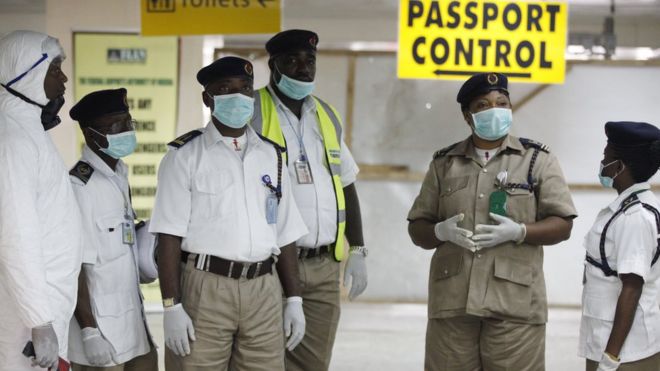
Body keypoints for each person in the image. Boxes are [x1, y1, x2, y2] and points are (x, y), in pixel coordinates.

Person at [407, 72, 577, 370]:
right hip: (453, 304)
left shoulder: (537, 160)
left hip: (515, 305)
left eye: (502, 102)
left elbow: (563, 223)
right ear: (467, 115)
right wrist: (439, 231)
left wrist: (520, 231)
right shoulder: (444, 164)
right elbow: (417, 228)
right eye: (483, 105)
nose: (495, 109)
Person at [149, 56, 308, 370]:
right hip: (206, 288)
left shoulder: (271, 155)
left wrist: (294, 299)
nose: (238, 96)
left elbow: (286, 232)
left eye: (245, 88)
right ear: (208, 98)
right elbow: (168, 236)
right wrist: (171, 306)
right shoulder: (185, 156)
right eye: (226, 88)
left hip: (264, 287)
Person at [251, 29, 367, 371]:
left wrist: (357, 248)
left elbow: (346, 183)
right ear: (273, 66)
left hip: (323, 266)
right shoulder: (253, 109)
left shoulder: (326, 115)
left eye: (310, 61)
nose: (304, 69)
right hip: (269, 264)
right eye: (293, 61)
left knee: (313, 362)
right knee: (265, 360)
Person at [0, 30, 83, 370]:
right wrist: (38, 319)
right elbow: (16, 235)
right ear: (26, 72)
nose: (63, 77)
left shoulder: (29, 130)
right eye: (54, 68)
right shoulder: (13, 140)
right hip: (28, 320)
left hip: (45, 308)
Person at [66, 88, 158, 371]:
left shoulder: (118, 173)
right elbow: (76, 265)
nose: (125, 131)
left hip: (133, 319)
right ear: (91, 134)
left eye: (127, 122)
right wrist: (89, 332)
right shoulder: (80, 186)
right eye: (115, 126)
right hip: (100, 330)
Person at [579, 121, 660, 371]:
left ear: (620, 166)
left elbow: (632, 287)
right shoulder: (624, 210)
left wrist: (610, 359)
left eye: (606, 157)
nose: (602, 163)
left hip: (627, 353)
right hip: (606, 340)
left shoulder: (635, 218)